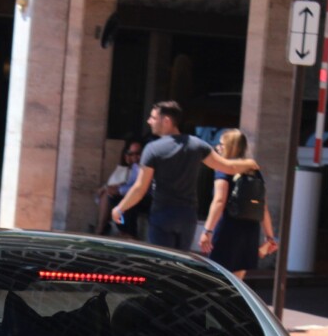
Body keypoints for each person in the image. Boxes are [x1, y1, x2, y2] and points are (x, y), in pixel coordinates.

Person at [112, 100, 259, 250]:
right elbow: (228, 166)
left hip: (162, 215)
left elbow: (140, 188)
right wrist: (251, 164)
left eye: (154, 118)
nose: (149, 121)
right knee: (181, 266)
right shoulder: (197, 145)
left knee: (162, 265)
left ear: (167, 121)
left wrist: (120, 208)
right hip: (187, 217)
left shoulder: (152, 149)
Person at [199, 128, 279, 278]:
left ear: (230, 146)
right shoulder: (254, 170)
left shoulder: (224, 169)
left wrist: (207, 230)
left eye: (221, 144)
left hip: (228, 227)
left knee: (219, 278)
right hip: (250, 230)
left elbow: (219, 200)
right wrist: (270, 237)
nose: (218, 147)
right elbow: (263, 206)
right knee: (238, 281)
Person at [94, 140, 147, 237]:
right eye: (131, 154)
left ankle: (128, 234)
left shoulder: (145, 165)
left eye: (138, 153)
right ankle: (103, 228)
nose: (135, 157)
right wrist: (113, 189)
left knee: (127, 202)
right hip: (131, 193)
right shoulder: (135, 166)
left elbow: (140, 187)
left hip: (146, 197)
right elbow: (129, 184)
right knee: (110, 195)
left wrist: (119, 190)